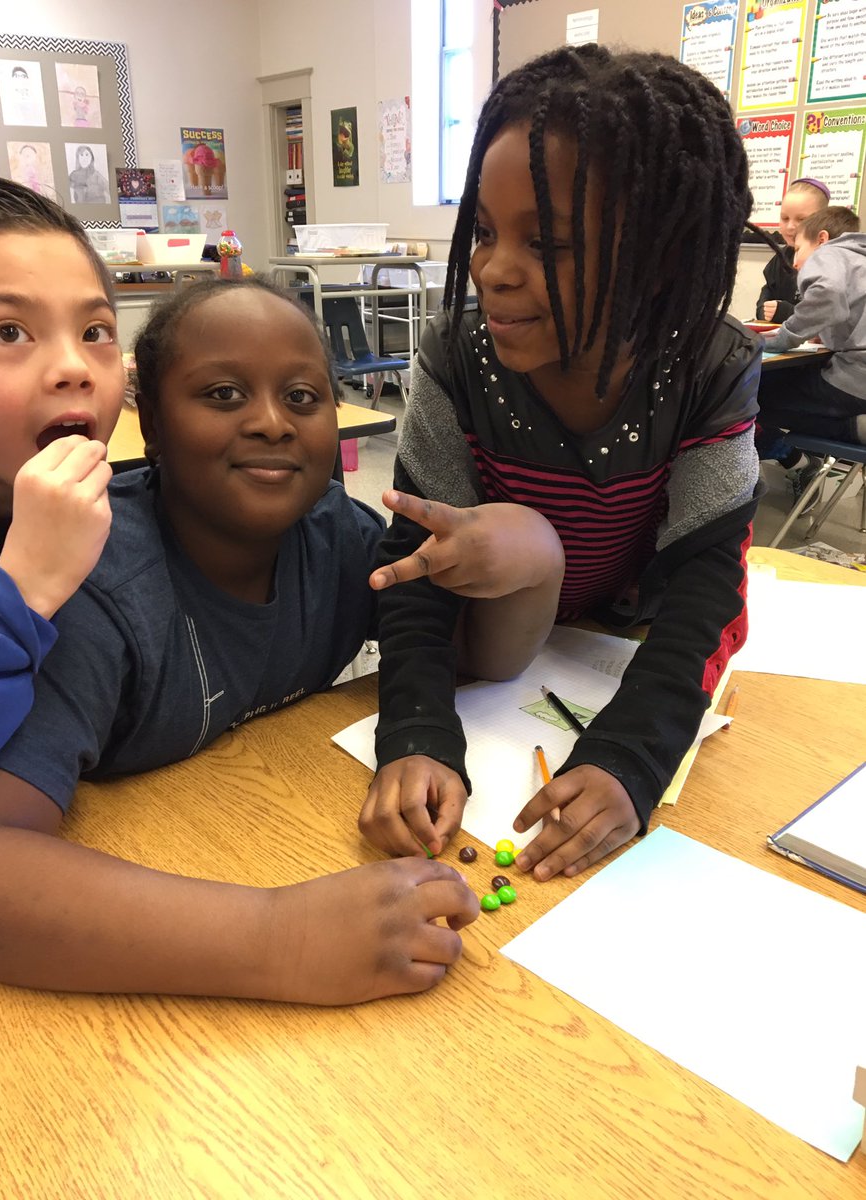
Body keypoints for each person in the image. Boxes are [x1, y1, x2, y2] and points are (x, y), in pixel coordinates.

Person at [0, 275, 488, 1005]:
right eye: (222, 395)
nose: (273, 422)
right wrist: (280, 937)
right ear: (149, 423)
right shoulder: (97, 583)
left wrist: (536, 564)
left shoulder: (336, 535)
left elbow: (470, 659)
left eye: (303, 399)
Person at [360, 44, 763, 882]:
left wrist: (631, 760)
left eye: (547, 242)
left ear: (660, 257)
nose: (493, 269)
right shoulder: (453, 361)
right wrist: (416, 735)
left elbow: (707, 586)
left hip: (615, 650)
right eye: (483, 231)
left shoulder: (708, 367)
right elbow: (413, 565)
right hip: (496, 650)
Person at [0, 173, 123, 783]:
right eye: (10, 332)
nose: (73, 366)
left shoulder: (101, 521)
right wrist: (24, 589)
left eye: (95, 332)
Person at [758, 206, 866, 482]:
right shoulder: (859, 259)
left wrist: (781, 337)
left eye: (797, 249)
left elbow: (828, 294)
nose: (794, 263)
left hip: (855, 380)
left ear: (821, 238)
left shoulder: (829, 252)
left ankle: (853, 428)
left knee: (752, 400)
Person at [755, 178, 830, 323]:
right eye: (785, 218)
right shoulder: (780, 259)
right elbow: (763, 304)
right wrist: (765, 311)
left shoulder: (831, 262)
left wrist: (787, 312)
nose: (790, 226)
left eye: (801, 219)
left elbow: (827, 316)